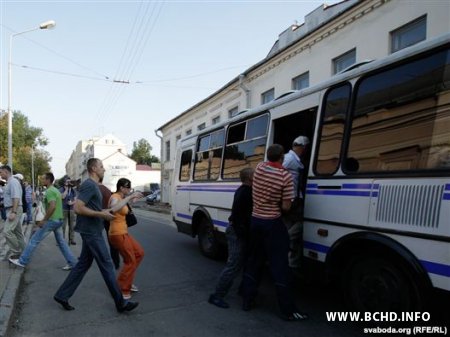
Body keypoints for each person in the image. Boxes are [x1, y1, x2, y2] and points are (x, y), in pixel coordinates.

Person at [53, 158, 139, 313]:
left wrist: (104, 212)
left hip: (92, 230)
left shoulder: (93, 186)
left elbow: (94, 208)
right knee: (107, 264)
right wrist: (101, 214)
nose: (103, 169)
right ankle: (121, 303)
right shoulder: (89, 185)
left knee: (83, 264)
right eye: (101, 166)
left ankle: (62, 295)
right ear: (93, 169)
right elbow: (78, 208)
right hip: (91, 232)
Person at [241, 144, 308, 321]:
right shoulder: (285, 176)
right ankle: (288, 310)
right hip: (272, 224)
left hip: (255, 221)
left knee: (254, 261)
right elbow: (286, 207)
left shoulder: (260, 168)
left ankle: (247, 300)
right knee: (280, 266)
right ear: (282, 158)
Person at [8, 173, 78, 270]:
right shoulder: (55, 190)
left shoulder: (50, 191)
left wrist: (44, 220)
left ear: (48, 180)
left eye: (43, 179)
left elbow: (52, 206)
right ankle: (73, 263)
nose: (41, 180)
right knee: (62, 243)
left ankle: (22, 261)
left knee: (34, 240)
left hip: (52, 220)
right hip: (58, 219)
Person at [208, 168, 254, 309]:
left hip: (238, 231)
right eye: (255, 175)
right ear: (249, 178)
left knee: (242, 263)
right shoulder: (245, 192)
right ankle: (216, 296)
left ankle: (242, 290)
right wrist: (243, 234)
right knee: (233, 265)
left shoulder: (244, 191)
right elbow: (240, 217)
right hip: (236, 232)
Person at [108, 178, 144, 300]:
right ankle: (122, 288)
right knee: (130, 261)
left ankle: (126, 280)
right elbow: (113, 208)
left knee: (139, 253)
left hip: (123, 233)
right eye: (128, 188)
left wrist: (131, 199)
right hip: (117, 234)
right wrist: (129, 198)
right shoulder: (115, 197)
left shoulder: (122, 198)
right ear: (122, 188)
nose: (129, 190)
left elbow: (123, 209)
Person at [282, 136, 309, 270]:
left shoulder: (295, 159)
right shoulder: (289, 158)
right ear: (301, 147)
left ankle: (291, 262)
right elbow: (276, 172)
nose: (306, 150)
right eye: (305, 147)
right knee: (301, 225)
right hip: (291, 200)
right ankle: (284, 242)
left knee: (292, 227)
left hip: (295, 198)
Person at [0, 165, 25, 259]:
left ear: (6, 172)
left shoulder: (13, 182)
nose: (0, 174)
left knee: (7, 231)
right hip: (12, 208)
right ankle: (25, 252)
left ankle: (17, 251)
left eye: (1, 172)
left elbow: (16, 197)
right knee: (18, 234)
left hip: (14, 209)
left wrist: (13, 212)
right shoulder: (10, 182)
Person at [98, 178, 120, 270]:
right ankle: (116, 262)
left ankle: (100, 259)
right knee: (111, 241)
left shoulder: (94, 189)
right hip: (108, 217)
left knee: (96, 239)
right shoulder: (107, 190)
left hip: (97, 217)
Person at [60, 178, 77, 245]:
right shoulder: (61, 189)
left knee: (72, 226)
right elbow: (62, 197)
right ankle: (62, 239)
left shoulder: (73, 190)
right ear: (64, 182)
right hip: (64, 209)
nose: (69, 183)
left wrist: (72, 203)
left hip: (71, 209)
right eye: (67, 182)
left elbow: (75, 200)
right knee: (63, 225)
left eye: (69, 182)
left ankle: (71, 239)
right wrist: (66, 189)